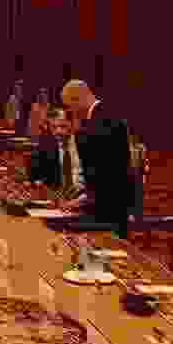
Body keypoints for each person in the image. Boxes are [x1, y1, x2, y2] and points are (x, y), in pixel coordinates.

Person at [57, 79, 141, 234]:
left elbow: (108, 175)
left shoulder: (101, 122)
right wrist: (80, 200)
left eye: (69, 107)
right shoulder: (102, 116)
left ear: (77, 99)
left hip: (109, 212)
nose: (71, 112)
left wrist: (81, 201)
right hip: (106, 206)